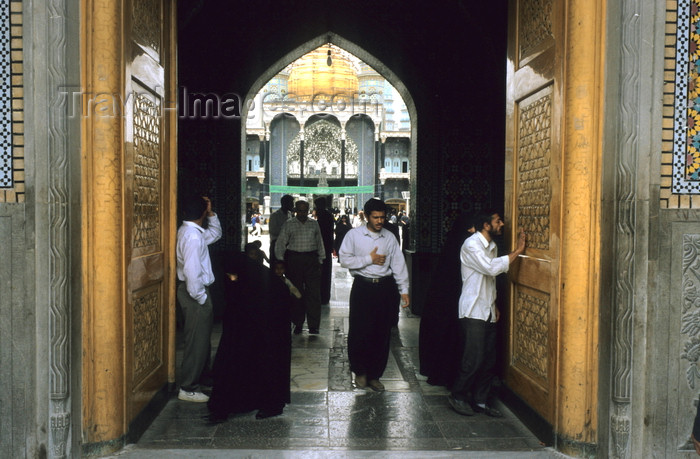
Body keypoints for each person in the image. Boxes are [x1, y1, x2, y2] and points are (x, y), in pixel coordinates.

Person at [448, 212, 526, 418]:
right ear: (485, 224)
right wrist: (518, 250)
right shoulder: (471, 244)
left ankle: (481, 401)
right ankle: (458, 396)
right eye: (497, 221)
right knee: (473, 358)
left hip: (488, 310)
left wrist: (494, 306)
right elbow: (491, 269)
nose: (502, 224)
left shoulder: (492, 246)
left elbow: (489, 281)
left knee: (489, 359)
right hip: (473, 310)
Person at [207, 248, 292, 421]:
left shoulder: (271, 286)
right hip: (252, 325)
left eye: (234, 275)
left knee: (269, 362)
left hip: (271, 330)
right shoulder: (244, 283)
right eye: (229, 275)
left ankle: (271, 404)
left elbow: (274, 315)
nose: (231, 279)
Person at [339, 198, 410, 392]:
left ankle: (375, 375)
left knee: (382, 333)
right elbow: (344, 259)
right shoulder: (354, 235)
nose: (379, 221)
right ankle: (360, 372)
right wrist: (368, 259)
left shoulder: (389, 237)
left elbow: (398, 264)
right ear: (366, 216)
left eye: (382, 217)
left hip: (384, 289)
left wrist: (404, 289)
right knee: (360, 331)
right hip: (363, 288)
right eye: (375, 217)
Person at [419, 213, 475, 387]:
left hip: (448, 302)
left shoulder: (455, 245)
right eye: (473, 227)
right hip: (451, 303)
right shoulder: (465, 246)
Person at [176, 195, 222, 403]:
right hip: (195, 293)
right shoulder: (193, 237)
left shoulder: (191, 232)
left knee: (202, 341)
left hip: (195, 292)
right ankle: (188, 387)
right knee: (196, 342)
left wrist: (211, 214)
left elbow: (215, 234)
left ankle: (201, 379)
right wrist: (201, 297)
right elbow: (192, 272)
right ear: (201, 213)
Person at [275, 200, 326, 335]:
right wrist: (280, 260)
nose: (303, 213)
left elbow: (319, 242)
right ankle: (298, 323)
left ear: (308, 210)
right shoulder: (289, 224)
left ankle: (313, 325)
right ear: (295, 210)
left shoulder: (314, 224)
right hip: (294, 260)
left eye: (305, 210)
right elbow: (281, 242)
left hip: (311, 260)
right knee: (296, 292)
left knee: (314, 294)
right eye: (300, 210)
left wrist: (321, 260)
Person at [315, 197, 335, 305]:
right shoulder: (327, 215)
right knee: (324, 273)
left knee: (323, 273)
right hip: (326, 248)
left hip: (323, 249)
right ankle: (324, 296)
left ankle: (323, 296)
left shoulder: (324, 216)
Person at [268, 195, 294, 263]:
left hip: (288, 245)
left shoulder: (290, 215)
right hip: (276, 244)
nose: (293, 205)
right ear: (284, 203)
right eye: (291, 203)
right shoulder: (275, 215)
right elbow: (272, 230)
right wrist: (287, 232)